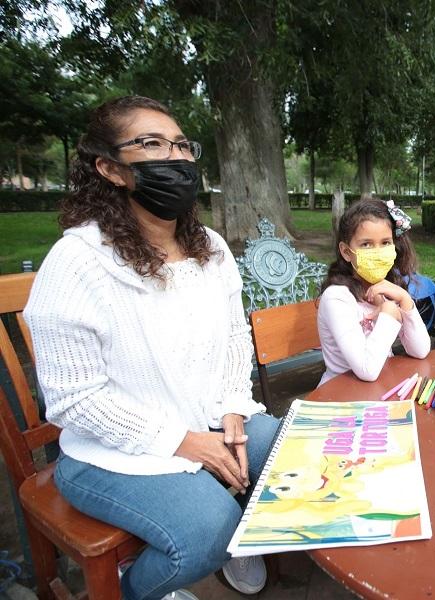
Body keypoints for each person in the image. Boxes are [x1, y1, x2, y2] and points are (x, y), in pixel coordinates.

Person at [23, 96, 277, 600]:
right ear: (109, 168)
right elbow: (75, 401)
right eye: (152, 143)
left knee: (291, 452)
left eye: (182, 144)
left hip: (205, 419)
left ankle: (244, 538)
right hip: (110, 453)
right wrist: (186, 442)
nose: (177, 157)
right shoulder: (77, 263)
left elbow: (232, 337)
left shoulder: (211, 247)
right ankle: (135, 590)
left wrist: (230, 406)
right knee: (209, 529)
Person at [316, 198, 431, 386]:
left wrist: (405, 300)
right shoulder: (336, 298)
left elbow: (421, 350)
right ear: (346, 252)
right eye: (366, 244)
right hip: (341, 396)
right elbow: (366, 370)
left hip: (381, 388)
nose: (378, 251)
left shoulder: (386, 289)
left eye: (385, 242)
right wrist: (389, 313)